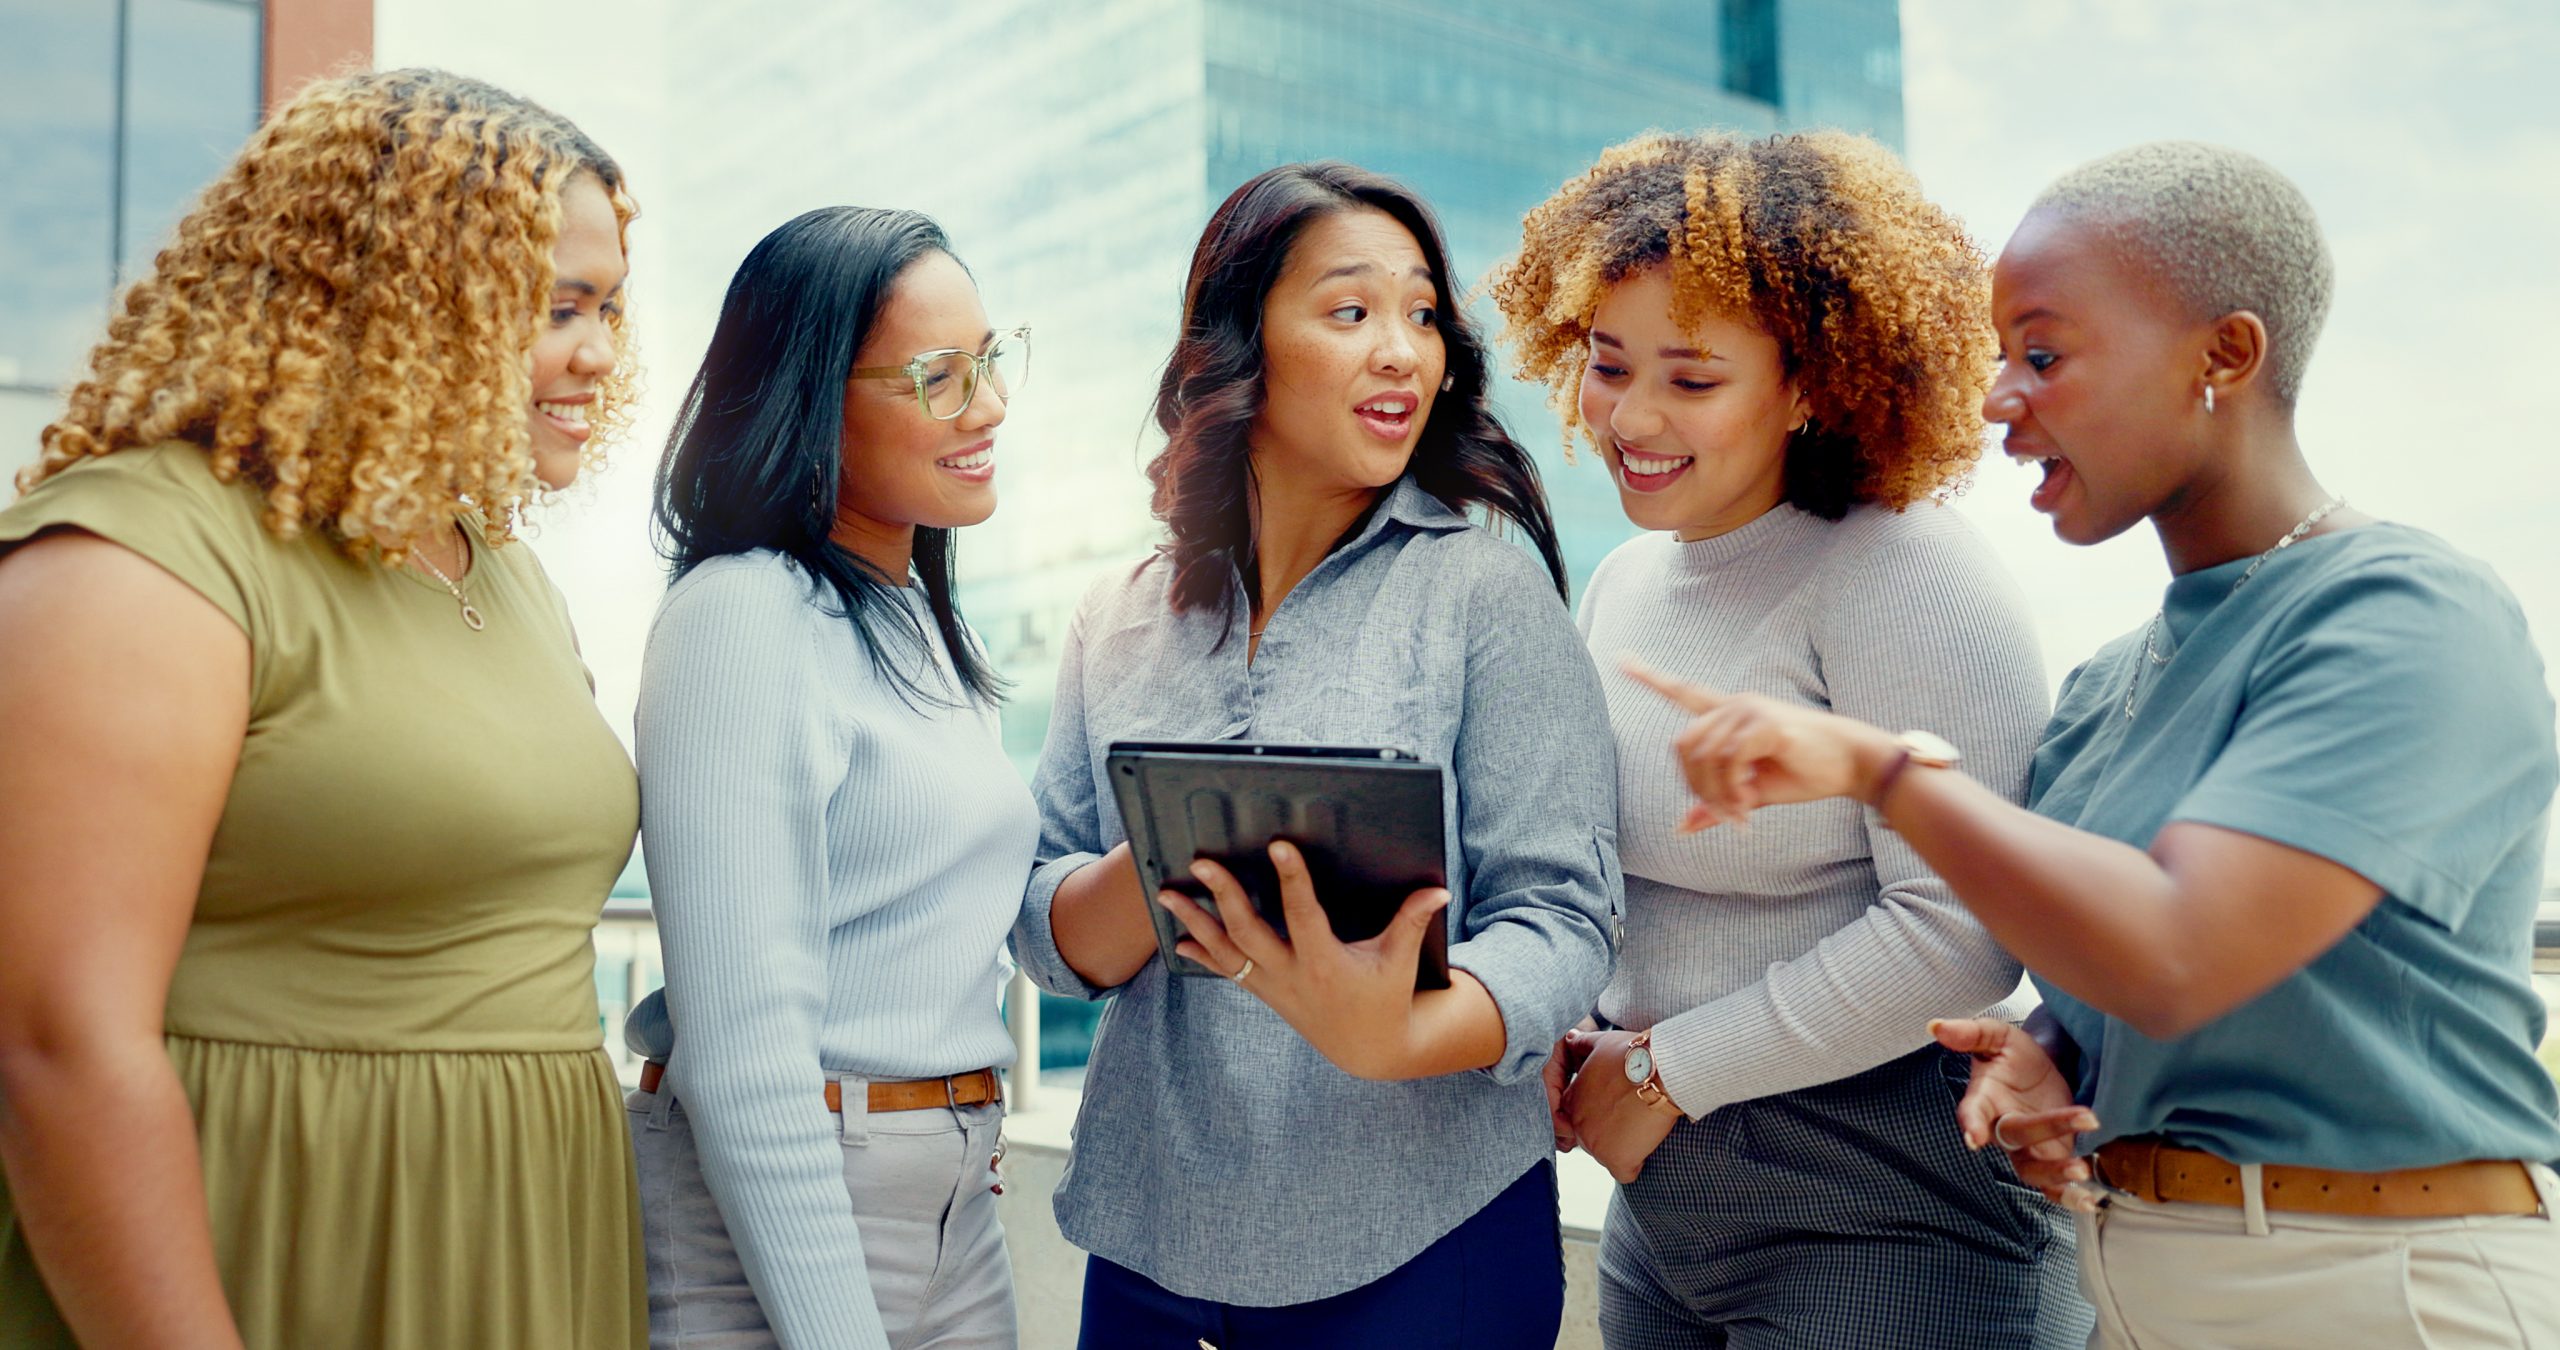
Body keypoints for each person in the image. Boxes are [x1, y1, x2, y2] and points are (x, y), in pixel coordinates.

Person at [1634, 141, 2560, 1348]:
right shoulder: (2102, 689)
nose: (1996, 399)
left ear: (2223, 355)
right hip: (2137, 1286)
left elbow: (2177, 954)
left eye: (2043, 353)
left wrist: (1879, 770)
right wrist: (2046, 1061)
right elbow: (2115, 991)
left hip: (2375, 1285)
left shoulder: (2404, 615)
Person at [0, 69, 646, 1347]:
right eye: (557, 307)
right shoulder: (140, 559)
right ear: (397, 299)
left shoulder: (501, 568)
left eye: (608, 308)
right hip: (280, 1243)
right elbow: (57, 1047)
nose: (598, 354)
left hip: (527, 1249)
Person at [1488, 127, 2091, 1350]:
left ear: (1812, 380)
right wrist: (1588, 1027)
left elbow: (1964, 930)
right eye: (1607, 365)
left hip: (1886, 1210)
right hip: (1669, 1216)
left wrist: (1666, 1072)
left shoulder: (1903, 571)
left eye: (1691, 378)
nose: (1631, 415)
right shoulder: (1625, 582)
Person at [1011, 161, 1618, 1349]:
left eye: (1423, 315)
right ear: (1242, 347)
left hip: (1422, 1238)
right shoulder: (1117, 614)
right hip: (1148, 1239)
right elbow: (1042, 928)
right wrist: (1167, 853)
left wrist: (1397, 1031)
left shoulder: (1482, 591)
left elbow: (1566, 918)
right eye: (1351, 312)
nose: (1403, 351)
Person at [621, 206, 1033, 1350]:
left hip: (945, 1199)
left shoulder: (910, 616)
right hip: (792, 1205)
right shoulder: (743, 614)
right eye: (939, 377)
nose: (989, 405)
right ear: (812, 397)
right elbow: (747, 1054)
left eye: (991, 361)